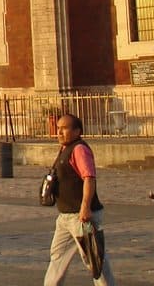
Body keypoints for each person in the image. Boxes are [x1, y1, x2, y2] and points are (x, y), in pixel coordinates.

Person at [43, 114, 116, 286]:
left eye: (64, 128)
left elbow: (89, 178)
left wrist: (85, 207)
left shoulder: (79, 149)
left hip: (80, 216)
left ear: (77, 131)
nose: (59, 132)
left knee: (94, 259)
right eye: (58, 128)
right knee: (58, 255)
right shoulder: (64, 149)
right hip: (65, 216)